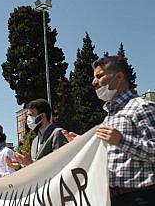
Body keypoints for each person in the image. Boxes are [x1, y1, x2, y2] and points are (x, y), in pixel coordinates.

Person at [63, 56, 155, 206]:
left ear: (118, 77)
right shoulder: (108, 118)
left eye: (99, 76)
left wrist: (121, 140)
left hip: (140, 197)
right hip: (111, 198)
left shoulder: (142, 107)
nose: (94, 82)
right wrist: (85, 145)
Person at [11, 99, 68, 168]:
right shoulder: (35, 141)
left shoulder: (57, 133)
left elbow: (61, 162)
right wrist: (19, 167)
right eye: (27, 116)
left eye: (31, 115)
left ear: (42, 116)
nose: (28, 120)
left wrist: (31, 163)